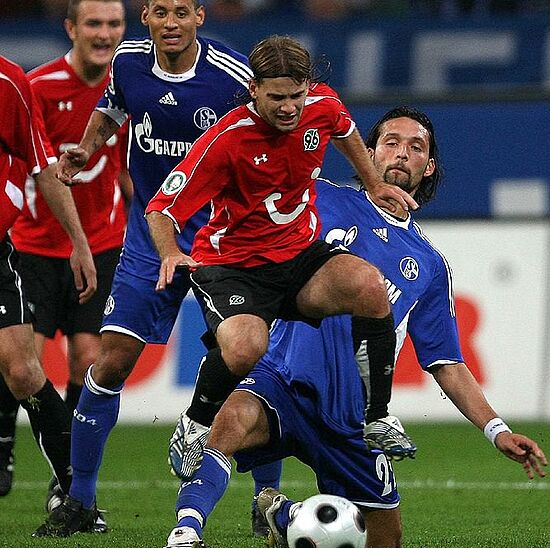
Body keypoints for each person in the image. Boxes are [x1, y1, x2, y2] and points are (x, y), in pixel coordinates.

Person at [158, 106, 548, 548]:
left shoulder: (429, 264)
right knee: (230, 423)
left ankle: (284, 514)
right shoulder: (317, 197)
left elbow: (447, 362)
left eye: (415, 147)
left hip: (350, 416)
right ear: (368, 152)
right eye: (391, 142)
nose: (401, 153)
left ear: (428, 166)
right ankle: (185, 532)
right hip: (280, 376)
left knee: (384, 544)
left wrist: (497, 430)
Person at [145, 35, 419, 486]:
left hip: (298, 255)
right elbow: (161, 208)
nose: (289, 107)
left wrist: (373, 183)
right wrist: (171, 252)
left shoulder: (321, 104)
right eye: (277, 98)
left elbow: (344, 129)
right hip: (234, 267)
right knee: (246, 348)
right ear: (254, 89)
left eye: (296, 95)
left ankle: (377, 417)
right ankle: (194, 424)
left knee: (371, 288)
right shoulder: (227, 139)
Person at [33, 0, 254, 537]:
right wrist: (88, 149)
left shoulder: (232, 75)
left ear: (200, 16)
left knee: (248, 361)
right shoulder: (128, 62)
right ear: (146, 18)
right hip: (148, 241)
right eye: (159, 12)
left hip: (218, 238)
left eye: (181, 11)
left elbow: (269, 129)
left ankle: (265, 497)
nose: (170, 23)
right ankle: (80, 501)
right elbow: (112, 108)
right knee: (108, 362)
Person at [0, 0, 128, 506]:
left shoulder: (128, 87)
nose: (104, 33)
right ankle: (5, 446)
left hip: (103, 242)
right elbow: (33, 164)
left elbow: (124, 165)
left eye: (114, 23)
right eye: (94, 23)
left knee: (87, 359)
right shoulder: (38, 85)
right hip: (33, 245)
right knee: (21, 361)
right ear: (71, 28)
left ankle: (71, 480)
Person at [0, 54, 97, 511]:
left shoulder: (9, 81)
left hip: (5, 249)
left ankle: (76, 498)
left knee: (23, 369)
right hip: (32, 250)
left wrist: (79, 241)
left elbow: (43, 165)